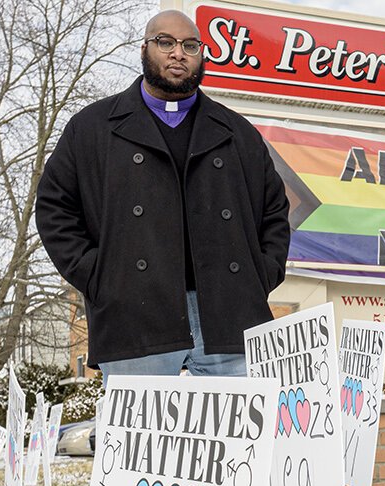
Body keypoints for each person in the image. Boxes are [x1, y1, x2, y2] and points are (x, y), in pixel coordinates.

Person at [36, 10, 290, 379]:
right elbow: (54, 208)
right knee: (138, 438)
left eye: (190, 45)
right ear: (145, 48)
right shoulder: (92, 128)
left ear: (201, 53)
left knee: (236, 436)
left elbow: (274, 213)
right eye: (165, 42)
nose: (178, 53)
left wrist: (258, 278)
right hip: (134, 316)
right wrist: (101, 278)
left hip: (229, 316)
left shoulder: (238, 133)